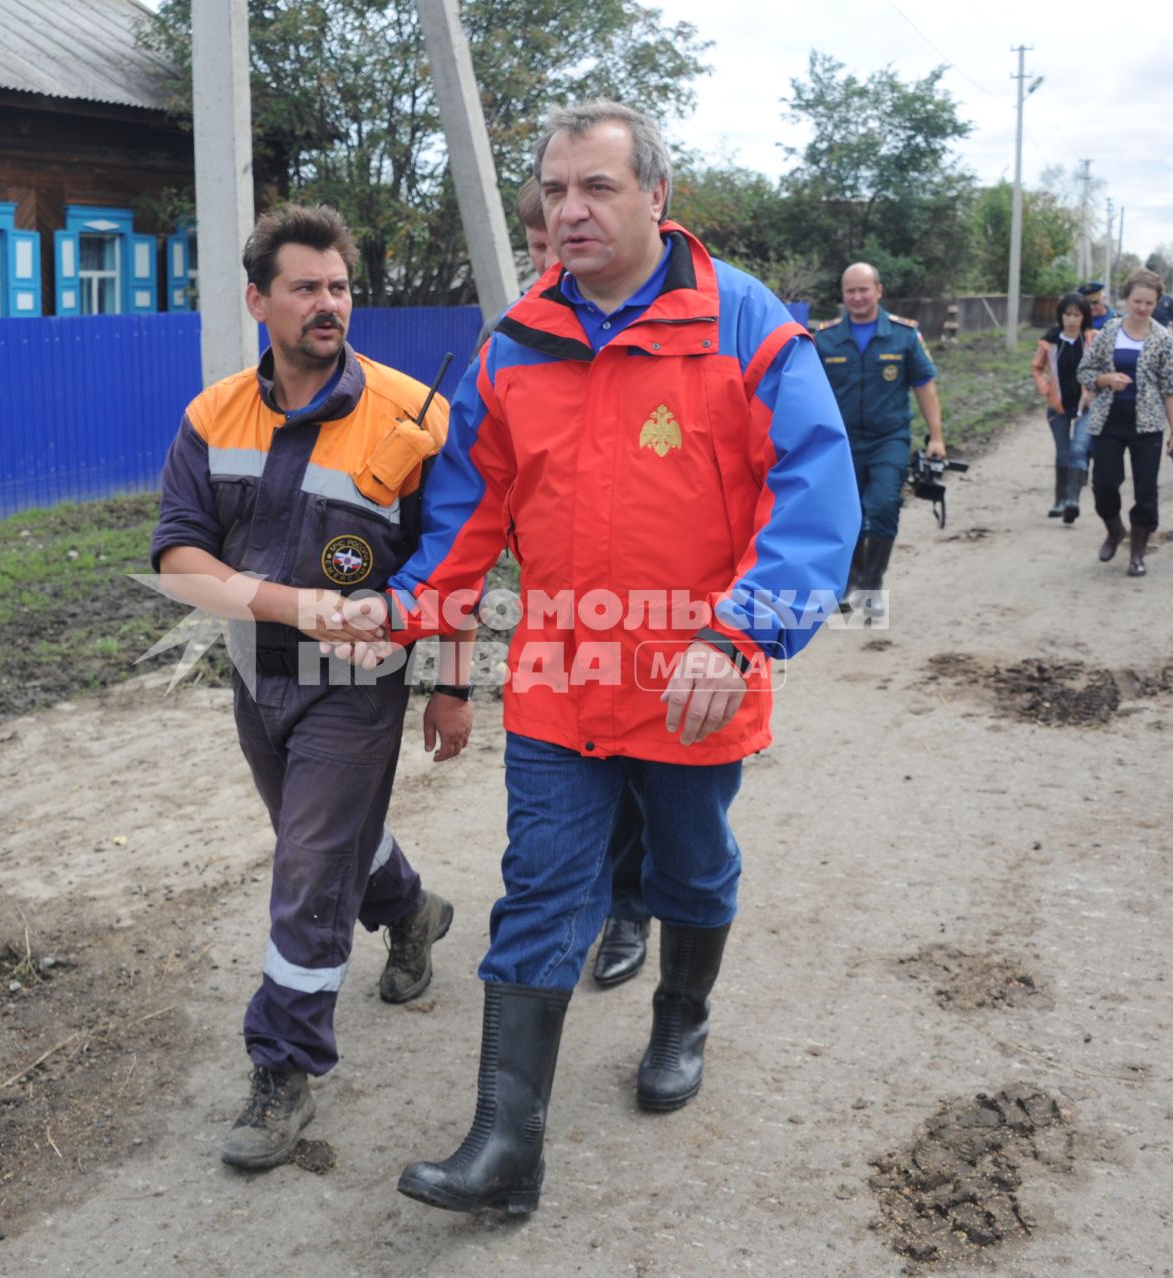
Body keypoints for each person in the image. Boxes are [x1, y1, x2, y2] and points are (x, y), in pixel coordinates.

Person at [331, 100, 859, 1215]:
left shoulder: (745, 328)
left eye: (597, 188)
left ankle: (682, 1017)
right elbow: (466, 515)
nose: (570, 211)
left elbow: (816, 495)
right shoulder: (516, 343)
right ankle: (503, 1149)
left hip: (694, 681)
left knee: (690, 868)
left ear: (657, 197)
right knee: (540, 892)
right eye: (556, 191)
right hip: (561, 683)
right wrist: (409, 616)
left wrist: (742, 631)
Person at [148, 204, 469, 1171]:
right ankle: (409, 911)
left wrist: (452, 687)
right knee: (320, 847)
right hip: (261, 673)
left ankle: (284, 1070)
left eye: (338, 287)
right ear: (259, 300)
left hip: (360, 683)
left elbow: (454, 566)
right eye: (305, 288)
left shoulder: (416, 414)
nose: (328, 305)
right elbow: (176, 555)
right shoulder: (214, 414)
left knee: (305, 873)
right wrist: (288, 606)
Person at [514, 172, 651, 987]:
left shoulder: (659, 316)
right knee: (570, 783)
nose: (548, 258)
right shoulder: (526, 331)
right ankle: (584, 907)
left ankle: (631, 908)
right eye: (534, 244)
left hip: (655, 609)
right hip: (561, 613)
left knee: (638, 781)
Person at [813, 263, 945, 620]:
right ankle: (851, 581)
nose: (857, 297)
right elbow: (808, 391)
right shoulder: (824, 339)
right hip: (841, 443)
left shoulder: (904, 336)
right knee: (847, 513)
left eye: (864, 290)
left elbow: (924, 385)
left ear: (879, 291)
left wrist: (936, 436)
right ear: (842, 295)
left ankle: (871, 583)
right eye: (850, 291)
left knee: (884, 505)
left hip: (889, 438)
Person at [1076, 269, 1173, 576]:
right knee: (1104, 484)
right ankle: (1114, 531)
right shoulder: (1108, 333)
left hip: (1147, 425)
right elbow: (1085, 371)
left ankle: (1138, 553)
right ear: (1127, 300)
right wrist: (1106, 379)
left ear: (1156, 303)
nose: (1142, 308)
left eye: (1149, 303)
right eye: (1137, 301)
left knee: (1145, 490)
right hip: (1110, 420)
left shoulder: (1164, 339)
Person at [1031, 293, 1094, 521]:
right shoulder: (1050, 341)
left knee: (1078, 449)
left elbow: (1104, 365)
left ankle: (1072, 500)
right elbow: (1036, 367)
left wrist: (1095, 390)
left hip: (1085, 406)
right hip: (1058, 406)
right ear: (1061, 316)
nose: (1071, 320)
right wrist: (1045, 388)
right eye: (1067, 314)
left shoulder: (1092, 340)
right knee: (1063, 451)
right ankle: (1059, 500)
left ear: (1084, 317)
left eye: (1077, 315)